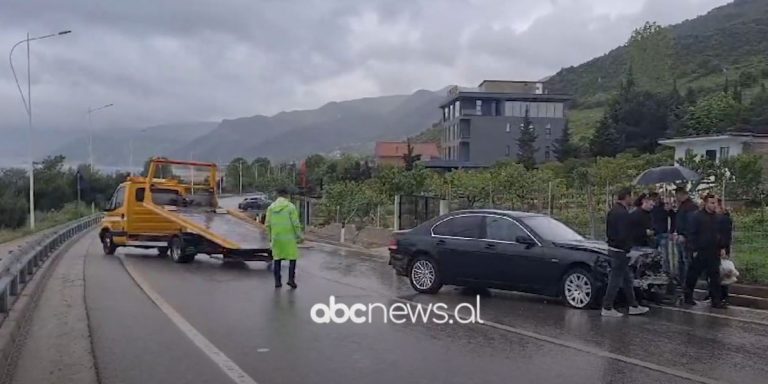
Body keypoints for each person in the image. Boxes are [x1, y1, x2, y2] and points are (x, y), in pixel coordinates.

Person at [602, 188, 650, 317]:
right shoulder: (623, 213)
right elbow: (623, 234)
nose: (633, 200)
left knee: (627, 279)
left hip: (613, 248)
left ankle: (633, 305)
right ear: (626, 197)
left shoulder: (613, 211)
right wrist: (627, 248)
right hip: (620, 250)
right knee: (616, 279)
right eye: (631, 197)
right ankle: (607, 307)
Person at [684, 194, 726, 308]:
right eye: (712, 203)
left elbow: (720, 234)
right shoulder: (697, 216)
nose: (714, 205)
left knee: (714, 276)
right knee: (693, 274)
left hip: (713, 250)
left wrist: (722, 247)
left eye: (715, 203)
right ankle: (688, 296)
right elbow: (691, 233)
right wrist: (693, 248)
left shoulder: (718, 218)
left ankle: (716, 300)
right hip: (700, 250)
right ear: (706, 203)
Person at [265, 187, 303, 289]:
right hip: (289, 238)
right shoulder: (291, 207)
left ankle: (277, 282)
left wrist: (270, 237)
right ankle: (291, 280)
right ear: (287, 196)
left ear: (278, 195)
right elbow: (295, 223)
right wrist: (299, 236)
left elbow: (267, 224)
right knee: (292, 259)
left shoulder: (271, 208)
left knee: (277, 259)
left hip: (276, 238)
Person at [674, 187, 698, 285]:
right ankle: (682, 280)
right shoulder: (683, 206)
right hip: (680, 236)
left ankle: (688, 281)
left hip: (687, 238)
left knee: (686, 260)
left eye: (678, 195)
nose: (677, 197)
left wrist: (684, 234)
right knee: (681, 260)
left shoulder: (690, 207)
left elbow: (690, 223)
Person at [649, 192, 673, 273]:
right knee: (653, 255)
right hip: (653, 234)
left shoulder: (664, 207)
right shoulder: (650, 208)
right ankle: (654, 271)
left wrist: (671, 231)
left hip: (663, 233)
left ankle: (666, 271)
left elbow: (673, 217)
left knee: (664, 255)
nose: (655, 200)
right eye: (653, 199)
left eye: (656, 198)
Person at [716, 198, 733, 304]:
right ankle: (716, 294)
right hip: (714, 248)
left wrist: (723, 248)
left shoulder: (724, 219)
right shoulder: (714, 218)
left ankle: (723, 295)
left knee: (723, 272)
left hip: (722, 248)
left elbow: (726, 235)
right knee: (715, 272)